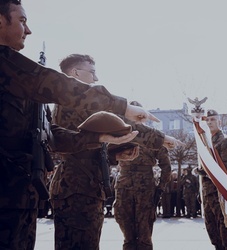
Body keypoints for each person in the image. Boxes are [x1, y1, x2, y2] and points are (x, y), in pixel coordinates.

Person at [0, 1, 173, 249]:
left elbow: (52, 135)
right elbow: (49, 82)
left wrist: (102, 140)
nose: (28, 30)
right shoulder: (11, 67)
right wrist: (122, 107)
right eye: (22, 21)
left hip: (18, 197)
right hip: (20, 193)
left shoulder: (22, 81)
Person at [50, 55, 177, 249]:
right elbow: (120, 124)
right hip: (78, 186)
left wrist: (112, 156)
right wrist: (162, 139)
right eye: (91, 72)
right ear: (75, 73)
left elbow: (82, 144)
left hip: (80, 183)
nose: (96, 78)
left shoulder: (71, 101)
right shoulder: (74, 100)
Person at [113, 100, 172, 250]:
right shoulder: (119, 136)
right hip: (124, 184)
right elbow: (105, 157)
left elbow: (166, 166)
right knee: (125, 230)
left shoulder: (152, 137)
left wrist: (160, 188)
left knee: (144, 233)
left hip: (145, 186)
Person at [198, 109, 227, 250]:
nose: (209, 122)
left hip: (222, 196)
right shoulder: (204, 144)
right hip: (208, 195)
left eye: (213, 119)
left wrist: (206, 172)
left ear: (220, 122)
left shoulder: (226, 142)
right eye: (207, 120)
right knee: (214, 236)